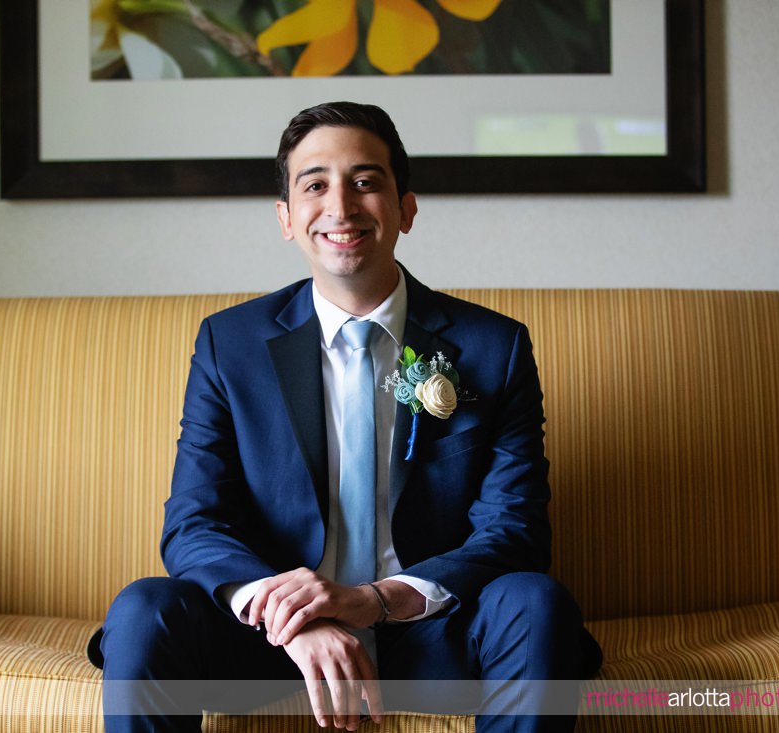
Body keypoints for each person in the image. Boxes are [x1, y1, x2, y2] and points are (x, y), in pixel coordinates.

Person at [88, 101, 601, 733]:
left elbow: (514, 531)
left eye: (365, 181)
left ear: (405, 208)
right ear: (286, 217)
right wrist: (296, 619)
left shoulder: (495, 347)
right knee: (144, 606)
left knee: (534, 600)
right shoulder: (230, 344)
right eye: (315, 185)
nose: (341, 206)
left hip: (434, 635)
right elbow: (195, 524)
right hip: (272, 649)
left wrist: (374, 602)